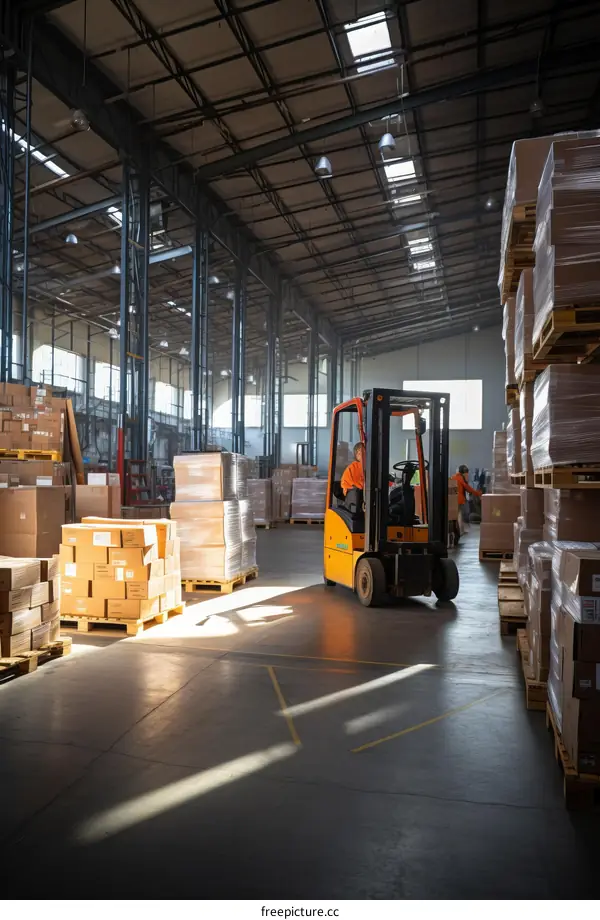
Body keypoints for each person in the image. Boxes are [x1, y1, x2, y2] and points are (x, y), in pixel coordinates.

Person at [452, 464, 482, 535]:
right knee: (459, 514)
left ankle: (460, 530)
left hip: (453, 498)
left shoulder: (454, 477)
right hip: (459, 499)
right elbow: (467, 487)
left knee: (457, 515)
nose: (467, 476)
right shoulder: (460, 478)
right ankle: (461, 531)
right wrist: (477, 493)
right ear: (464, 473)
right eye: (466, 474)